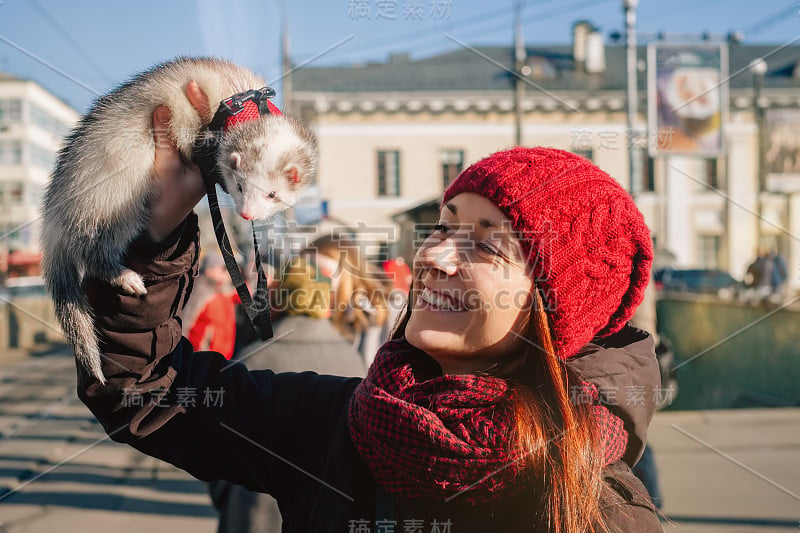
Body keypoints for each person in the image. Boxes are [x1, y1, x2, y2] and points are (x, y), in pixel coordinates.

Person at [78, 85, 662, 532]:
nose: (436, 255)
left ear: (554, 306)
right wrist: (152, 235)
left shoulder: (598, 501)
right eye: (443, 226)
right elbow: (143, 391)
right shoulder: (338, 422)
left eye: (485, 242)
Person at [209, 235, 389, 532]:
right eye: (309, 271)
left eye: (327, 275)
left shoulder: (375, 338)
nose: (317, 282)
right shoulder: (263, 336)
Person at [183, 252, 238, 359]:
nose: (226, 272)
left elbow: (246, 294)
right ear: (209, 270)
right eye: (222, 268)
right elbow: (185, 323)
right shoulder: (200, 292)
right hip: (201, 360)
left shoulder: (221, 290)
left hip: (221, 360)